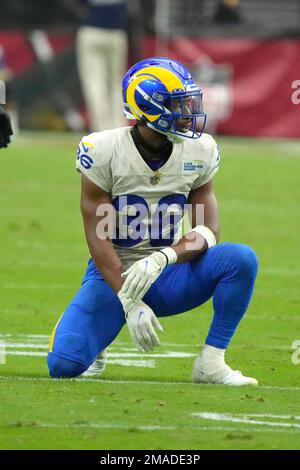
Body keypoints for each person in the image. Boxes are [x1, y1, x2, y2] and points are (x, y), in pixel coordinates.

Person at [47, 57, 258, 386]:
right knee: (64, 365)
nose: (188, 111)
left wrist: (164, 257)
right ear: (149, 108)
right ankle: (99, 336)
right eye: (178, 103)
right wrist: (129, 302)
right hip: (115, 274)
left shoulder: (199, 149)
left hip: (169, 272)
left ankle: (211, 362)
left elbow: (208, 229)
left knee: (240, 259)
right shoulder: (102, 150)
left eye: (188, 101)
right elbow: (98, 238)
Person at [75, 0, 128, 131]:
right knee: (116, 84)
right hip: (116, 33)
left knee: (94, 82)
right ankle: (119, 127)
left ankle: (102, 129)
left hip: (92, 31)